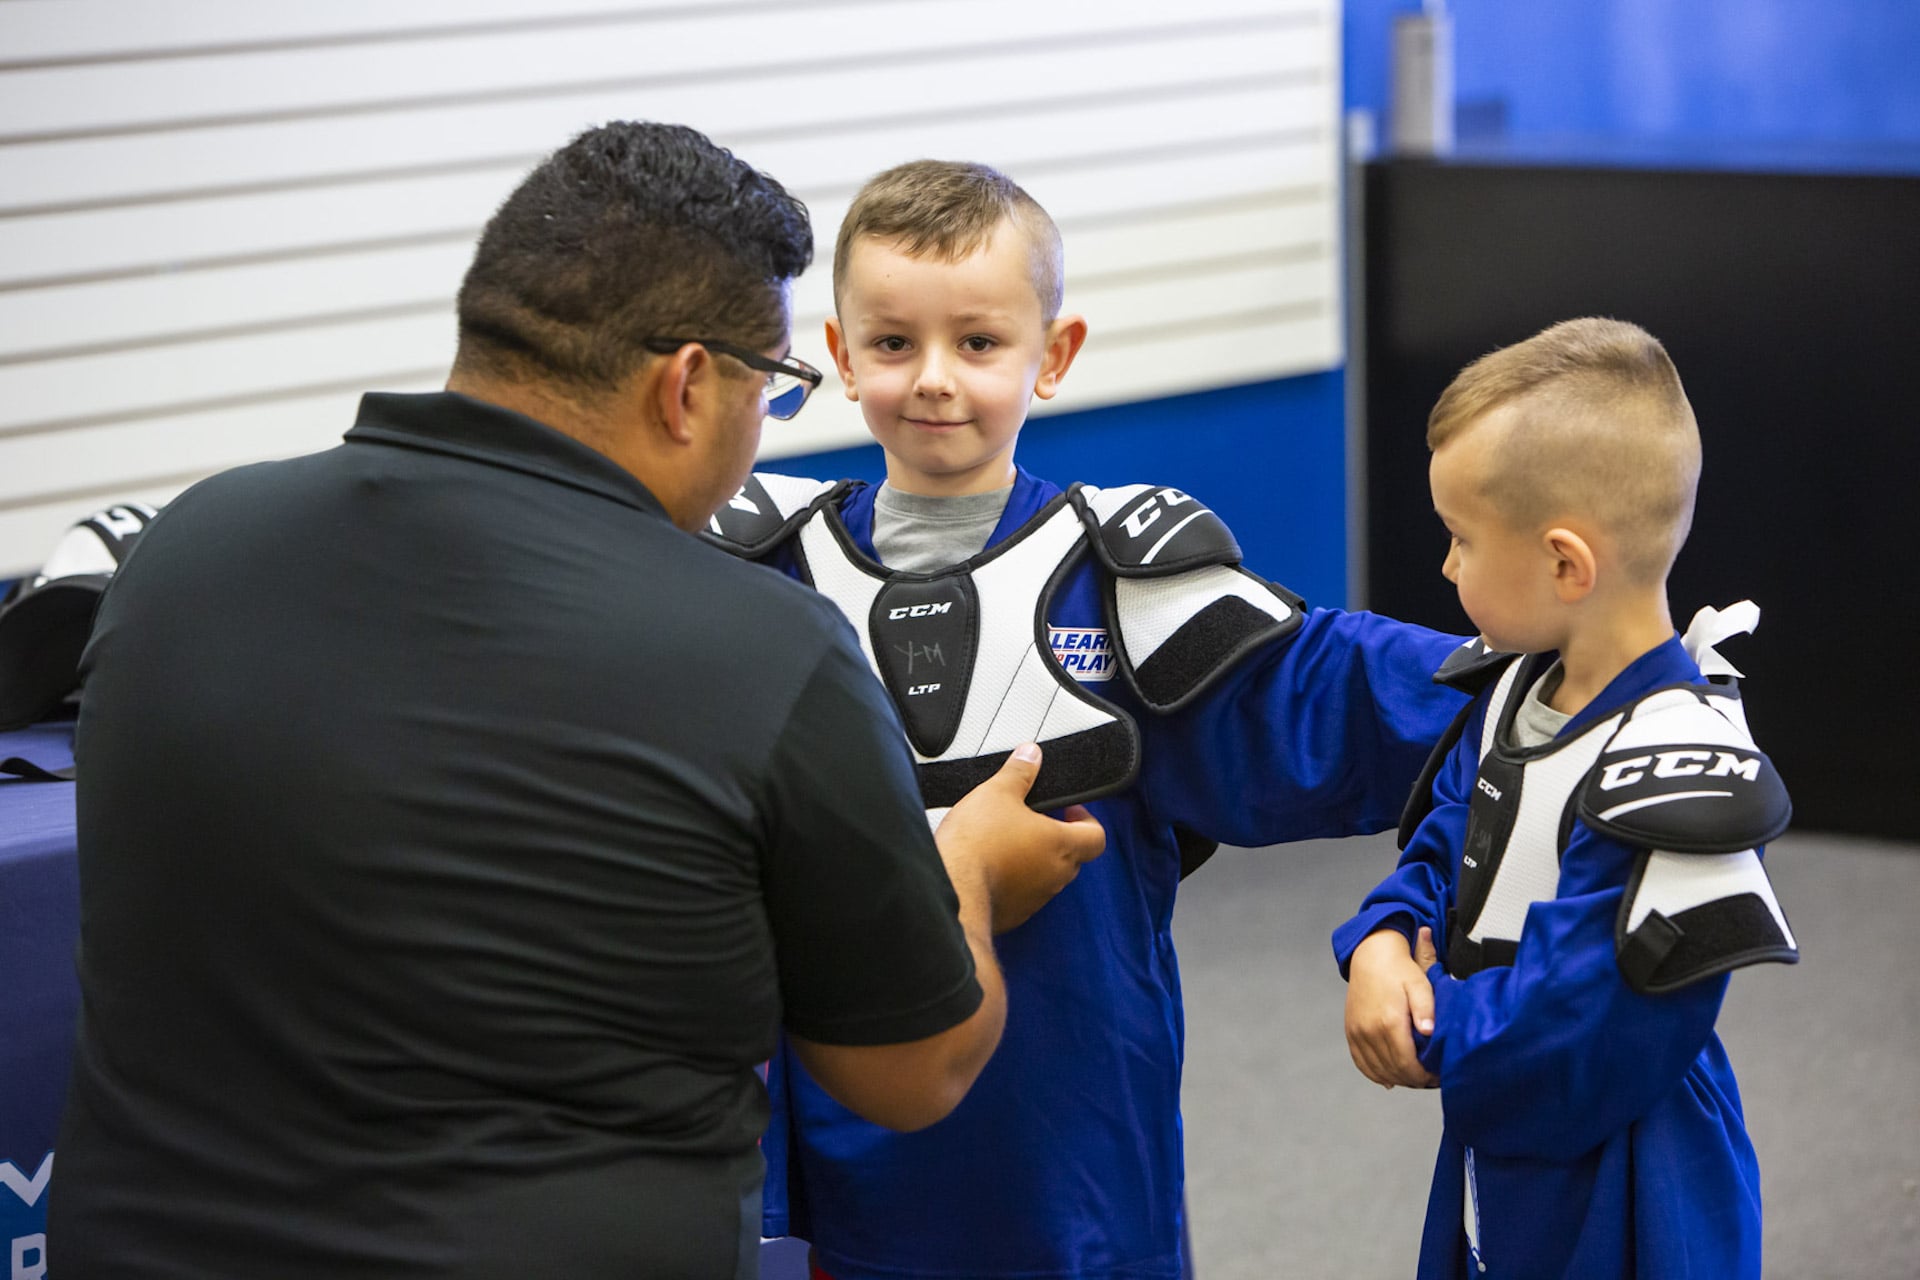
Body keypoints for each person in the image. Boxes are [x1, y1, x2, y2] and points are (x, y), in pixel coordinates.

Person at [47, 122, 1105, 1280]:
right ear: (691, 384)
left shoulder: (186, 550)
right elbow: (911, 1070)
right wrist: (972, 872)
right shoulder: (760, 648)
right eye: (780, 388)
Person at [701, 160, 1468, 1280]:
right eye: (893, 342)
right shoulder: (761, 578)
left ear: (1052, 355)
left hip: (1072, 1166)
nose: (933, 381)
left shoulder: (1122, 584)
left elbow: (1372, 695)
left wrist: (1584, 672)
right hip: (842, 1158)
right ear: (838, 349)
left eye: (978, 342)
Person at [1333, 318, 1799, 1278]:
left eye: (1462, 540)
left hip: (1622, 1161)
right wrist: (1384, 941)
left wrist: (1431, 1025)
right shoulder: (1515, 690)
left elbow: (1586, 1023)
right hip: (1499, 1122)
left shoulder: (1677, 757)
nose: (1450, 567)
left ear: (1564, 564)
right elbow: (1451, 843)